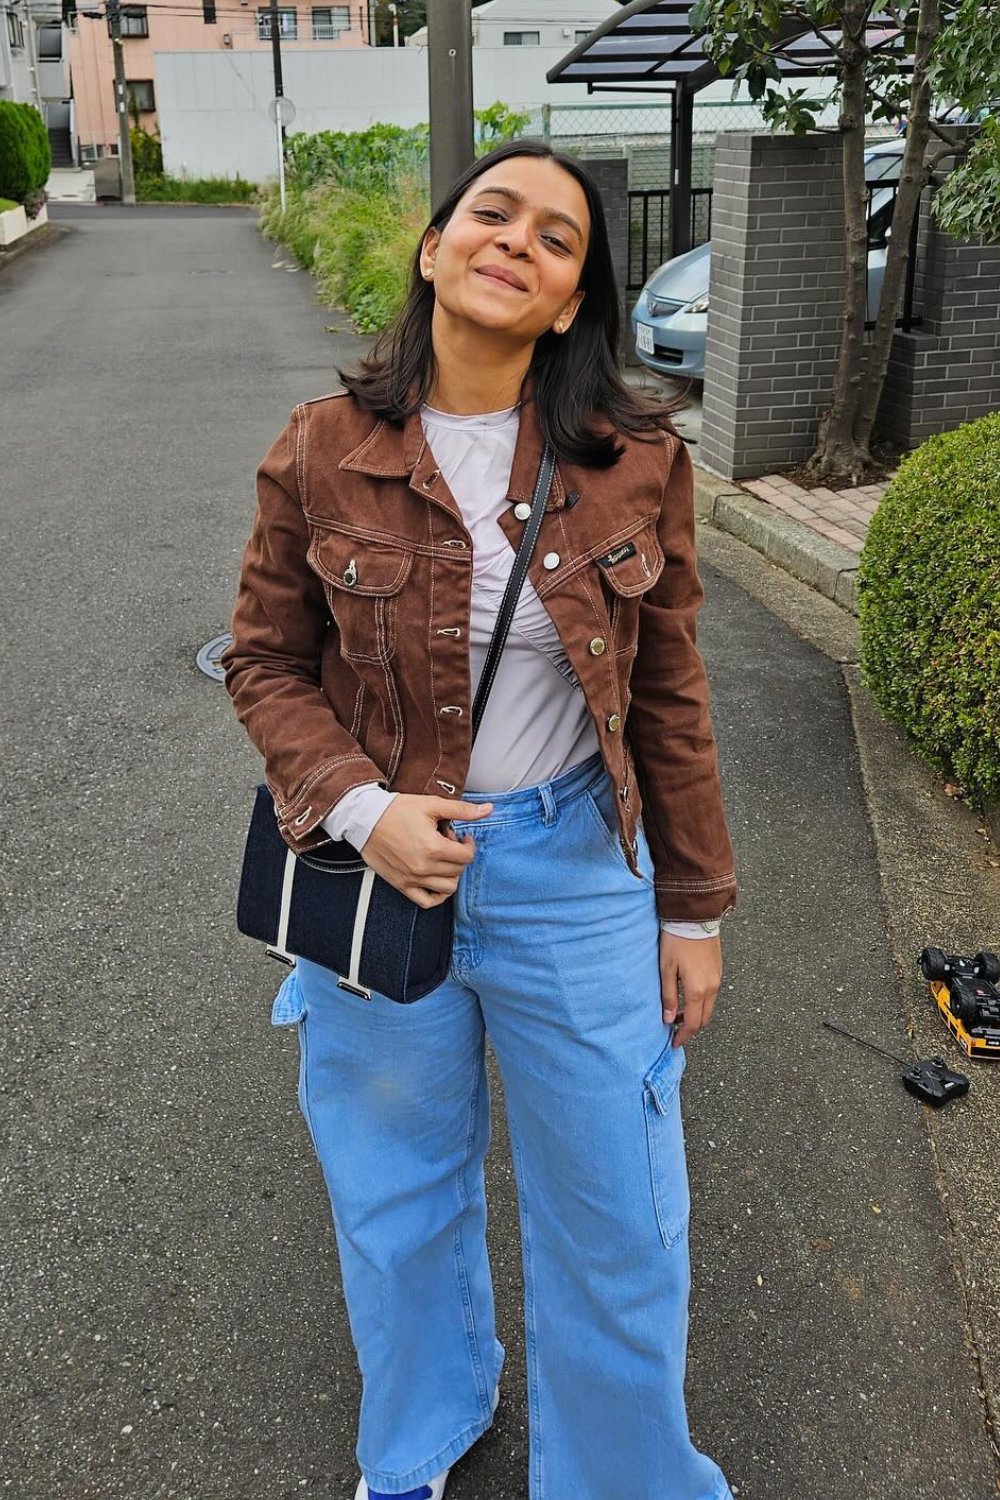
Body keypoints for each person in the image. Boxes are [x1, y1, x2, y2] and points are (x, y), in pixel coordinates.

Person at [222, 138, 737, 1500]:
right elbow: (264, 664)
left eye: (557, 238)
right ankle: (418, 1440)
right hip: (382, 871)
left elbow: (670, 692)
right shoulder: (321, 450)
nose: (519, 240)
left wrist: (690, 909)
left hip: (578, 870)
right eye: (491, 215)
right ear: (436, 250)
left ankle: (624, 1478)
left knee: (620, 1219)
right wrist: (365, 806)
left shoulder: (632, 461)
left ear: (570, 300)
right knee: (392, 1199)